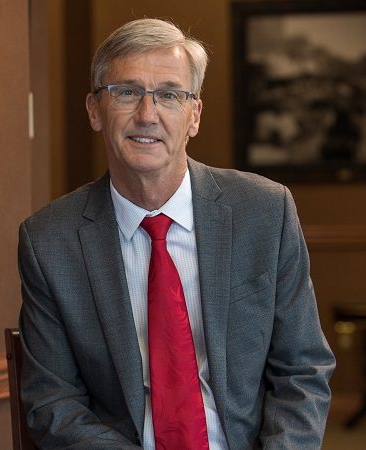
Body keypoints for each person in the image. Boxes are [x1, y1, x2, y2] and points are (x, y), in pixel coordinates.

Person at [18, 19, 334, 449]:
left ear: (194, 115)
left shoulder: (265, 211)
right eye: (126, 92)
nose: (147, 115)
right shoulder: (49, 241)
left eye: (169, 94)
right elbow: (52, 402)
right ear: (94, 110)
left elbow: (302, 369)